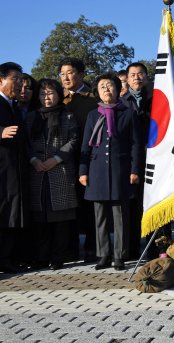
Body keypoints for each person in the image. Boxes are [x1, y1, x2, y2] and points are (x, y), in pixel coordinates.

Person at [79, 73, 143, 271]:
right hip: (97, 170)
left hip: (120, 170)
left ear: (117, 89)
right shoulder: (93, 115)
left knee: (120, 215)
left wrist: (135, 169)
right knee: (100, 216)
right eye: (102, 87)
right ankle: (103, 255)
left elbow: (136, 145)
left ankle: (119, 256)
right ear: (98, 92)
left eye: (110, 86)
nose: (106, 89)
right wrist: (83, 171)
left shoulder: (128, 112)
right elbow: (86, 146)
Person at [26, 79, 79, 270]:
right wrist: (34, 160)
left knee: (61, 219)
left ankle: (58, 257)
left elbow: (73, 140)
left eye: (49, 93)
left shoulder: (68, 115)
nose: (46, 97)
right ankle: (41, 257)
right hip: (37, 171)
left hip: (60, 171)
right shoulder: (32, 117)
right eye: (42, 94)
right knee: (40, 218)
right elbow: (25, 143)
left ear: (58, 94)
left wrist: (56, 159)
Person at [59, 57, 98, 262]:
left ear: (81, 74)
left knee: (89, 204)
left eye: (70, 72)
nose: (66, 77)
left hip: (89, 159)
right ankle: (71, 249)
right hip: (63, 161)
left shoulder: (93, 98)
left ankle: (92, 247)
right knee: (68, 205)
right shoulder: (58, 98)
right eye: (62, 73)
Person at [122, 62, 152, 259]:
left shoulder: (157, 98)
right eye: (132, 74)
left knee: (152, 203)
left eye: (140, 74)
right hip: (130, 161)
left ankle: (155, 247)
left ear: (146, 77)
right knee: (132, 206)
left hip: (154, 157)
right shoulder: (122, 102)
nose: (136, 78)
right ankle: (131, 248)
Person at [0, 62, 27, 273]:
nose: (19, 83)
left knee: (12, 213)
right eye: (14, 79)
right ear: (1, 80)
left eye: (21, 79)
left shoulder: (15, 106)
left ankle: (8, 257)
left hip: (15, 170)